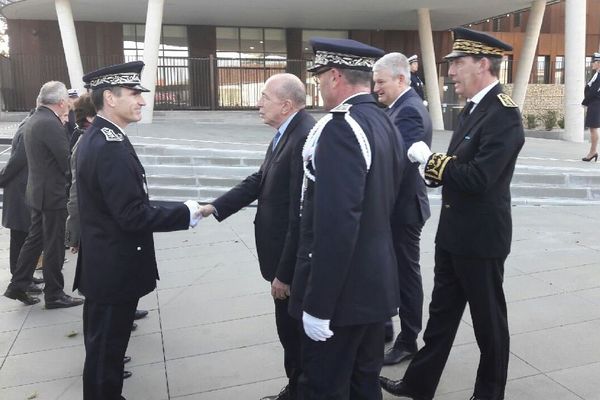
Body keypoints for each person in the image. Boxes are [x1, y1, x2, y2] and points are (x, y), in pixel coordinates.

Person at [379, 27, 525, 400]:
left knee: (489, 324)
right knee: (441, 317)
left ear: (483, 63)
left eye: (458, 63)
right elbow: (458, 167)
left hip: (480, 239)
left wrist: (431, 161)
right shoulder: (473, 110)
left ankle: (489, 393)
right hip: (454, 233)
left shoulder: (503, 115)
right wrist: (432, 170)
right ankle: (418, 384)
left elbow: (479, 177)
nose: (451, 72)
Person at [74, 61, 201, 400]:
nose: (143, 101)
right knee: (106, 355)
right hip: (113, 270)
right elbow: (131, 215)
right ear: (110, 99)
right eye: (134, 94)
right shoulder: (108, 146)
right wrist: (185, 213)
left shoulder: (103, 137)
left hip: (105, 266)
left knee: (105, 351)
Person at [288, 37, 405, 399]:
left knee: (325, 385)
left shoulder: (342, 127)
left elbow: (337, 225)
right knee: (363, 383)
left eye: (320, 76)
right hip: (373, 287)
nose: (318, 85)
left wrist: (319, 305)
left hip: (341, 297)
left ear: (335, 76)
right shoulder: (382, 120)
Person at [200, 73, 315, 400]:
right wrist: (216, 206)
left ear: (286, 104)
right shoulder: (286, 132)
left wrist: (285, 273)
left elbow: (299, 213)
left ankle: (300, 392)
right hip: (280, 256)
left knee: (294, 334)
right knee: (288, 333)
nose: (258, 103)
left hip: (288, 263)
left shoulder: (303, 137)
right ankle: (296, 387)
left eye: (265, 96)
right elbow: (260, 179)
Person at [373, 52, 432, 365]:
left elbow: (395, 162)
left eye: (381, 82)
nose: (377, 88)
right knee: (391, 270)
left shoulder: (408, 111)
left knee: (406, 276)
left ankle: (408, 339)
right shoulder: (398, 107)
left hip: (404, 209)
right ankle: (385, 325)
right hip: (396, 207)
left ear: (400, 78)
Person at [3, 81, 81, 308]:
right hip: (52, 195)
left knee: (34, 240)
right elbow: (65, 160)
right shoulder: (49, 123)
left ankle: (17, 286)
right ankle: (55, 294)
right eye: (66, 98)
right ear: (60, 102)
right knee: (54, 245)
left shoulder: (36, 119)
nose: (68, 102)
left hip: (37, 193)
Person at [0, 108, 43, 288]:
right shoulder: (29, 128)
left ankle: (24, 274)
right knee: (21, 235)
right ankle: (20, 277)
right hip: (20, 190)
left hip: (22, 189)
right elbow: (17, 162)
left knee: (24, 234)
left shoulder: (29, 124)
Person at [581, 52, 600, 162]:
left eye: (593, 62)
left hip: (596, 104)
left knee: (593, 129)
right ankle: (593, 151)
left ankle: (593, 152)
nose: (592, 63)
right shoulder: (596, 74)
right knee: (593, 129)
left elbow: (593, 92)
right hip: (594, 104)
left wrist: (585, 101)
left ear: (599, 63)